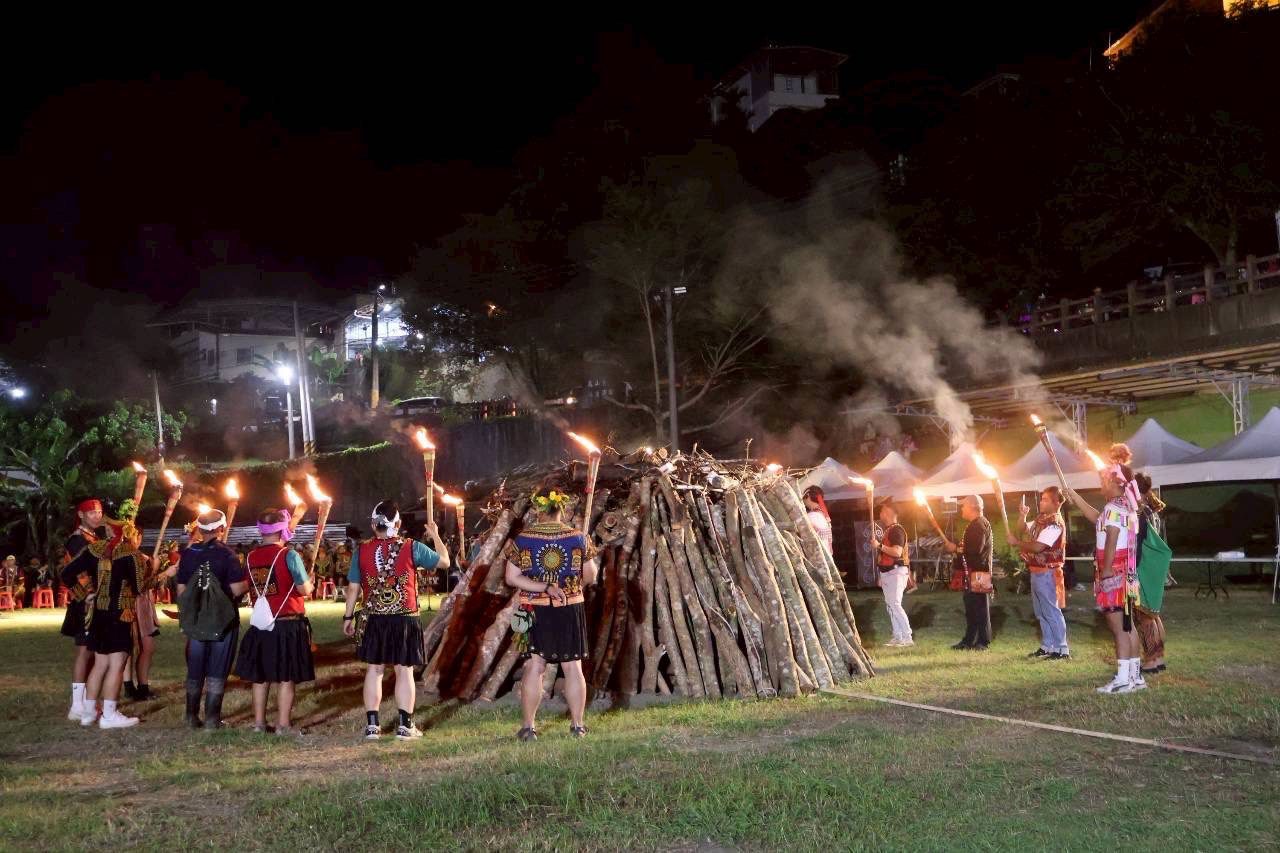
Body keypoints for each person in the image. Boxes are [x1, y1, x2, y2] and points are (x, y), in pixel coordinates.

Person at [342, 500, 450, 741]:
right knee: (404, 670)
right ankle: (405, 726)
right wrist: (435, 535)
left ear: (373, 525)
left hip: (374, 617)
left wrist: (348, 616)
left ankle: (372, 727)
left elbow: (353, 588)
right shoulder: (412, 547)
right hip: (404, 617)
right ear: (398, 524)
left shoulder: (361, 551)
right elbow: (445, 562)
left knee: (374, 669)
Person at [502, 489, 600, 741]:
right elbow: (591, 575)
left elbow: (511, 577)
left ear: (538, 509)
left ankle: (528, 728)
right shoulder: (578, 537)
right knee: (572, 666)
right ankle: (577, 726)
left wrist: (543, 587)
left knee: (535, 665)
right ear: (561, 509)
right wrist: (574, 587)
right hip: (569, 606)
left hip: (535, 608)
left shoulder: (523, 539)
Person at [61, 510, 154, 729]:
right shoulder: (130, 554)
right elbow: (140, 587)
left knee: (100, 664)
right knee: (116, 665)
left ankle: (88, 713)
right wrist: (157, 572)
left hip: (98, 614)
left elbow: (66, 574)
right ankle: (109, 715)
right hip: (120, 614)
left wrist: (85, 595)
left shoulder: (93, 549)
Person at [1066, 444, 1144, 694]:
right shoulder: (1125, 506)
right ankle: (1135, 677)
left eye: (1103, 480)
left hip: (1114, 572)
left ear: (1114, 482)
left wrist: (1107, 569)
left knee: (1117, 626)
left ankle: (1122, 680)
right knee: (1128, 625)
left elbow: (1111, 536)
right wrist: (1075, 497)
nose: (1101, 484)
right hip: (1127, 573)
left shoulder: (1113, 508)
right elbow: (1097, 519)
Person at [235, 509, 315, 735]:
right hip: (287, 623)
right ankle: (283, 725)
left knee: (260, 676)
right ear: (282, 530)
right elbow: (303, 589)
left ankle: (259, 724)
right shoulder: (289, 555)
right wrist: (310, 582)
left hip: (261, 624)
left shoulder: (250, 557)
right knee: (286, 676)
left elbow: (245, 586)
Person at [176, 509, 249, 729]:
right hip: (222, 620)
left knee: (195, 667)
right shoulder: (227, 554)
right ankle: (211, 719)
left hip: (196, 619)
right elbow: (236, 589)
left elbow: (181, 591)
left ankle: (190, 716)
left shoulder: (188, 554)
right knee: (218, 667)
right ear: (221, 528)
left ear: (199, 528)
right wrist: (249, 582)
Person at [1009, 487, 1070, 660]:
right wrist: (1022, 515)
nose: (1041, 502)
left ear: (1056, 503)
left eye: (1045, 499)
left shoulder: (1055, 523)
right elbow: (1022, 528)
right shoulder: (1041, 520)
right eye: (1041, 499)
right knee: (1041, 612)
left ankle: (1061, 648)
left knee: (1051, 611)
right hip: (1037, 571)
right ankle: (1048, 645)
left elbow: (1038, 547)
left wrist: (1017, 543)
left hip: (1048, 573)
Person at [62, 498, 105, 721]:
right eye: (92, 513)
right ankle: (77, 705)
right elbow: (78, 571)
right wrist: (88, 594)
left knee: (92, 652)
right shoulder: (77, 539)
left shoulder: (94, 537)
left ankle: (88, 701)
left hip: (96, 599)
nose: (97, 516)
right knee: (84, 651)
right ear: (81, 515)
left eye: (99, 512)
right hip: (85, 601)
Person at [944, 495, 993, 651]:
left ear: (972, 506)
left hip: (979, 573)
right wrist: (958, 549)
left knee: (980, 608)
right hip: (973, 571)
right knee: (971, 608)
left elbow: (975, 549)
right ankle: (969, 640)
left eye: (963, 506)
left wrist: (956, 548)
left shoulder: (979, 524)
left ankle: (982, 641)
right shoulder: (975, 524)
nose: (961, 509)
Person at [1134, 473, 1168, 675]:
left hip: (1143, 566)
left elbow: (1138, 544)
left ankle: (1150, 660)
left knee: (1144, 615)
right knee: (1153, 614)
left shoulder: (1140, 512)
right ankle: (1158, 657)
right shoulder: (1150, 510)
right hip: (1153, 566)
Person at [870, 502, 913, 647]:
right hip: (888, 572)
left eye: (882, 511)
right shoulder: (889, 530)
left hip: (896, 571)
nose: (880, 514)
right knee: (890, 605)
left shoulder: (896, 530)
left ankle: (907, 637)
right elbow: (884, 556)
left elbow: (897, 552)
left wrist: (879, 545)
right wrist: (881, 574)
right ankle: (898, 636)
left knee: (894, 604)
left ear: (888, 512)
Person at [802, 485, 833, 554]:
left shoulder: (812, 516)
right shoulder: (822, 515)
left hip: (818, 554)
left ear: (808, 496)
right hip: (826, 553)